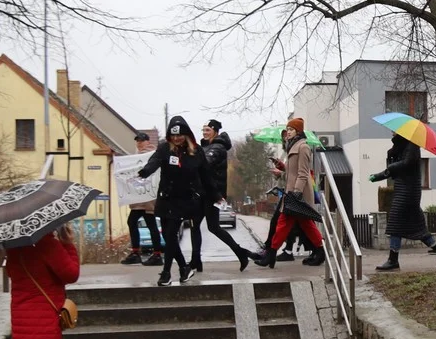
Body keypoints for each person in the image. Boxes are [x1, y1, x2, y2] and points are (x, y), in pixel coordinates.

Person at [138, 116, 214, 285]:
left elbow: (206, 176)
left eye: (180, 135)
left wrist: (214, 195)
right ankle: (184, 268)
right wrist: (145, 171)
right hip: (166, 198)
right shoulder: (165, 149)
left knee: (171, 234)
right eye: (173, 135)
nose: (177, 138)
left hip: (185, 199)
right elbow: (155, 161)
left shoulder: (196, 151)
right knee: (167, 235)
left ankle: (166, 273)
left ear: (186, 134)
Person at [370, 133, 436, 270]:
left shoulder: (412, 144)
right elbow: (394, 169)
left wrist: (391, 167)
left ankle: (393, 260)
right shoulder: (400, 145)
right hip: (403, 188)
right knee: (417, 227)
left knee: (395, 222)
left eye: (395, 131)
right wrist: (377, 176)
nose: (392, 133)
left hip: (409, 190)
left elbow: (407, 163)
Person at [254, 119, 327, 268]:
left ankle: (271, 254)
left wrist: (297, 193)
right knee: (303, 224)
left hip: (298, 194)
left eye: (291, 129)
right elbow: (292, 172)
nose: (288, 131)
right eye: (287, 129)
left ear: (298, 131)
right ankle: (319, 251)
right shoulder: (292, 146)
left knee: (285, 223)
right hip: (292, 193)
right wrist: (281, 168)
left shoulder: (303, 147)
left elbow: (303, 173)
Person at [191, 119, 252, 272]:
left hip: (212, 194)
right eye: (203, 130)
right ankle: (195, 261)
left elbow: (207, 163)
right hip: (202, 193)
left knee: (214, 228)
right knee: (194, 225)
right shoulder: (206, 147)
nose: (205, 133)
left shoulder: (217, 148)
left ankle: (240, 253)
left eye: (208, 130)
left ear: (215, 132)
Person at [120, 132, 164, 267]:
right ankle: (136, 253)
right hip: (139, 199)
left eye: (141, 141)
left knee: (151, 225)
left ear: (147, 141)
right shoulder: (136, 156)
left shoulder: (150, 154)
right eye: (137, 141)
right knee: (133, 222)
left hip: (148, 199)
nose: (139, 143)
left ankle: (156, 254)